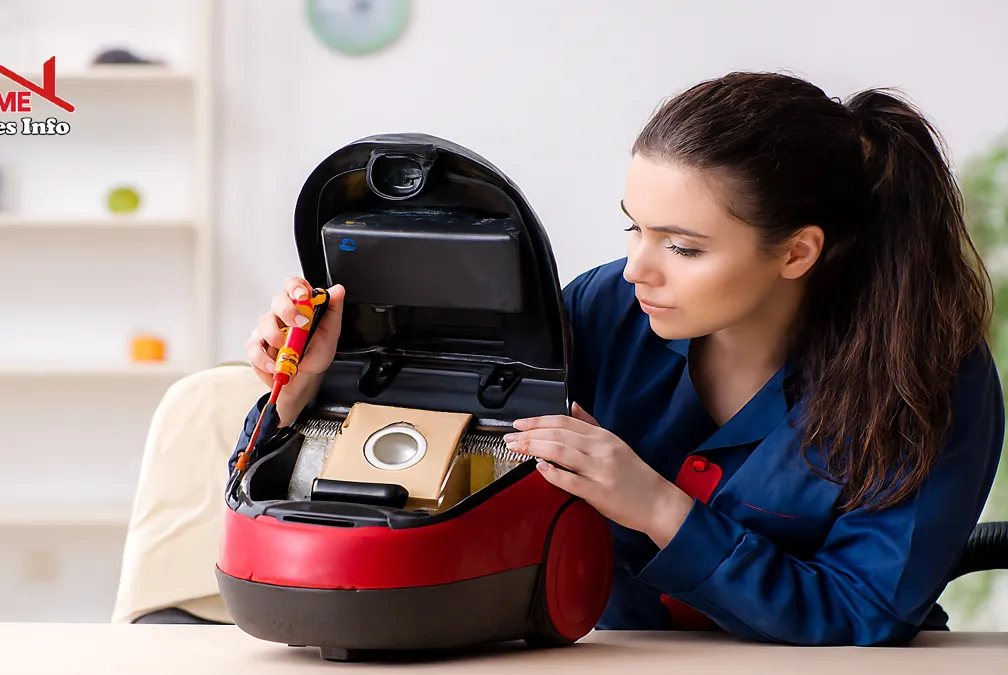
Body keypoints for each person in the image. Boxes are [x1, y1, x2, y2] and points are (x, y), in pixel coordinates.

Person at [230, 72, 1005, 646]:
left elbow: (863, 610)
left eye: (683, 246)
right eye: (634, 227)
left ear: (797, 252)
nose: (637, 267)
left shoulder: (926, 376)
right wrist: (304, 398)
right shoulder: (607, 308)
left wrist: (659, 508)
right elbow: (420, 475)